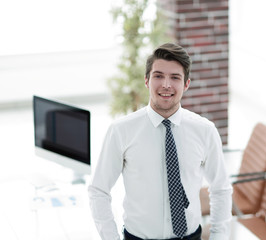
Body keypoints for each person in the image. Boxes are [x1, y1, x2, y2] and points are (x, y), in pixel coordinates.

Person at [88, 43, 232, 240]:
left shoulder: (205, 131)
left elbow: (221, 189)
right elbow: (99, 190)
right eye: (158, 76)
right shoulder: (121, 130)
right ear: (146, 80)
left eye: (175, 77)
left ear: (186, 84)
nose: (166, 84)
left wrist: (218, 237)